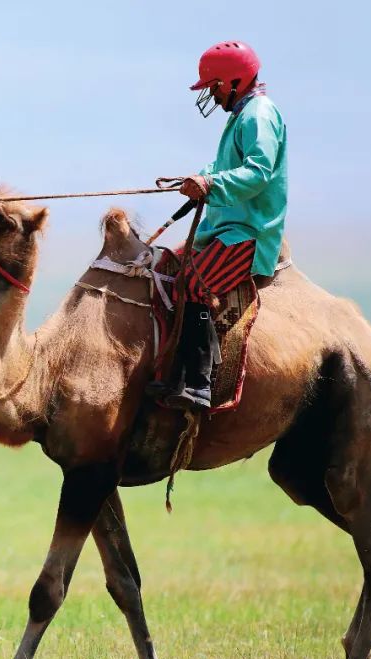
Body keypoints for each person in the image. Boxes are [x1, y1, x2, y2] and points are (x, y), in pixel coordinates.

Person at [151, 40, 288, 412]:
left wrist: (211, 186)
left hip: (249, 231)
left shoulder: (259, 115)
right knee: (168, 268)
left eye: (213, 85)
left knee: (195, 283)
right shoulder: (241, 115)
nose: (210, 93)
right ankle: (173, 372)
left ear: (233, 81)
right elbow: (224, 166)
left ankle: (199, 384)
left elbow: (258, 171)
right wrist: (199, 177)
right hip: (226, 227)